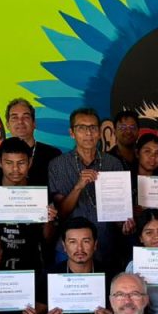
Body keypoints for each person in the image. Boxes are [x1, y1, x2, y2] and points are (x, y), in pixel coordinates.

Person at [47, 107, 127, 270]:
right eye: (81, 128)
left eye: (93, 128)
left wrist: (125, 222)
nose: (88, 133)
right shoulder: (58, 165)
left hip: (106, 245)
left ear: (100, 132)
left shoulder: (113, 164)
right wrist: (78, 187)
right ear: (72, 133)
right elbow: (61, 213)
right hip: (71, 249)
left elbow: (119, 212)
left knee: (106, 292)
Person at [0, 136, 58, 270]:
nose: (15, 169)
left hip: (31, 264)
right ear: (0, 162)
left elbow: (48, 238)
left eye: (21, 163)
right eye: (9, 163)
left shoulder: (41, 192)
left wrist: (49, 220)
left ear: (30, 162)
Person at [0, 98, 59, 188]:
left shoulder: (53, 155)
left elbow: (61, 194)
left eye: (26, 117)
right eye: (14, 117)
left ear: (34, 123)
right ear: (7, 125)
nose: (20, 121)